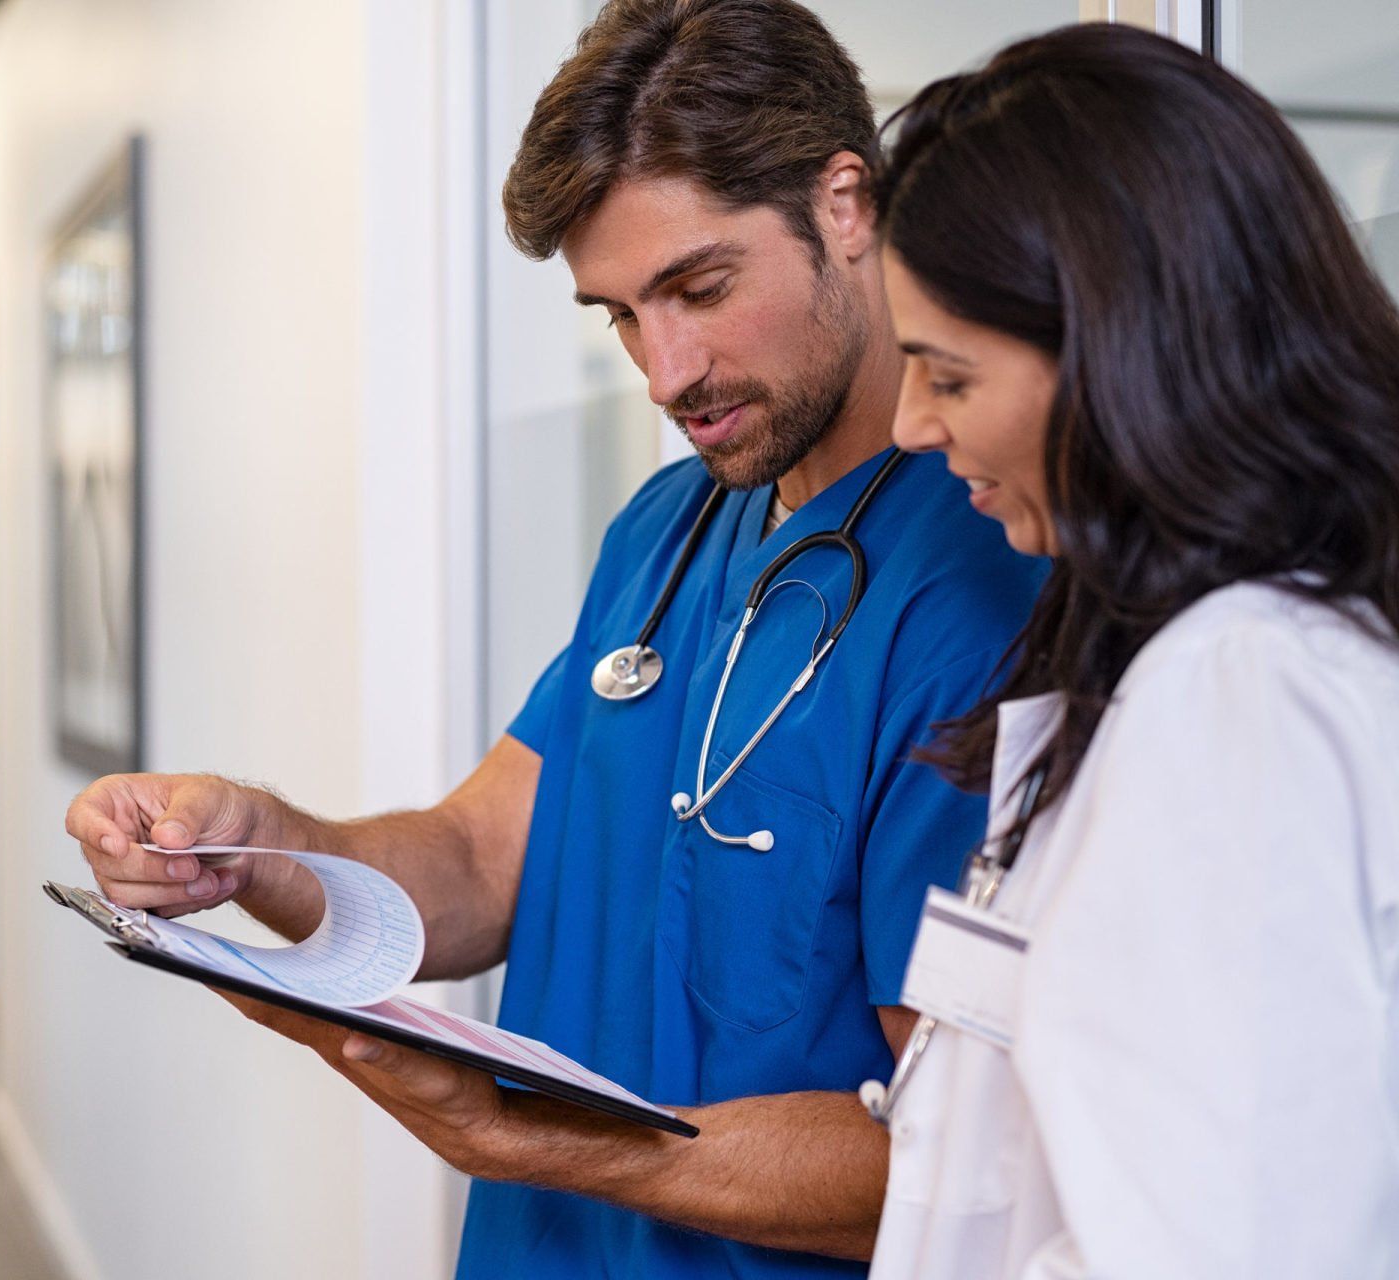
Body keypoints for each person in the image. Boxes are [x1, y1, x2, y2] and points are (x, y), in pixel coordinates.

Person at [65, 2, 1043, 1274]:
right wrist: (257, 843)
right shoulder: (668, 527)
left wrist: (531, 1139)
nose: (664, 371)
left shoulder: (987, 582)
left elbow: (957, 1159)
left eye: (700, 287)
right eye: (621, 315)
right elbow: (480, 860)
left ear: (847, 204)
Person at [867, 23, 1399, 1278]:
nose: (907, 424)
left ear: (1117, 354)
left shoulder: (1243, 688)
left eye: (947, 374)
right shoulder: (1189, 668)